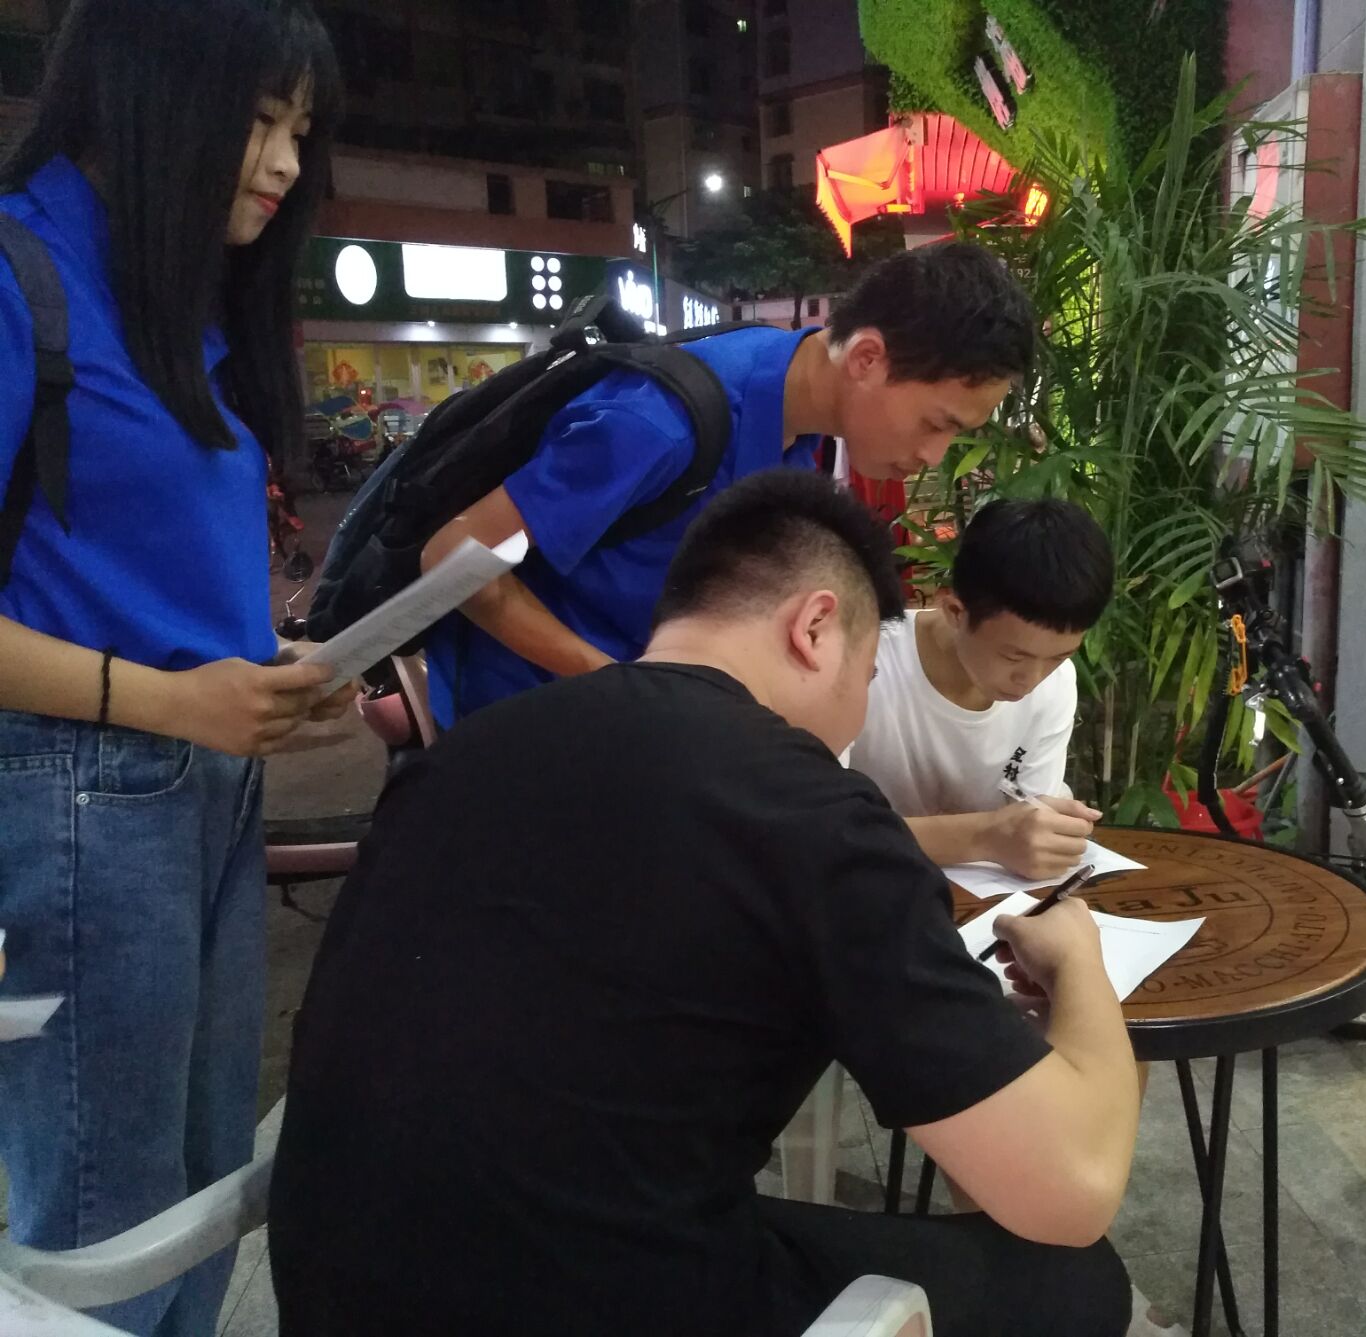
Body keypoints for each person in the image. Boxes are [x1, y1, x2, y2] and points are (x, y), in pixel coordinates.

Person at [268, 471, 1140, 1337]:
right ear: (815, 628)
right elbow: (1075, 1189)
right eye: (868, 674)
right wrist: (1078, 959)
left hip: (331, 1292)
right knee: (1073, 1281)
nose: (854, 717)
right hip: (591, 1299)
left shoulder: (460, 756)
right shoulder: (812, 813)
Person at [0, 4, 347, 1334]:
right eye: (259, 119)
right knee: (110, 1221)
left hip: (198, 787)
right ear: (149, 92)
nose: (284, 164)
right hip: (81, 798)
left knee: (204, 1192)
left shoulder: (175, 296)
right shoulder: (20, 274)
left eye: (300, 129)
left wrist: (270, 667)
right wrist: (169, 698)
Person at [422, 239, 1036, 728]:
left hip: (640, 717)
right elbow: (450, 559)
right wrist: (622, 682)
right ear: (867, 359)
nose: (933, 456)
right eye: (937, 424)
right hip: (526, 727)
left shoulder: (801, 422)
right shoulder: (660, 424)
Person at [850, 497, 1114, 879]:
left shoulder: (1056, 684)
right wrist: (986, 836)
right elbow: (817, 830)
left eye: (1059, 657)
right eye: (1013, 656)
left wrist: (1045, 834)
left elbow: (1030, 820)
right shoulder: (865, 663)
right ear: (955, 612)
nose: (1032, 679)